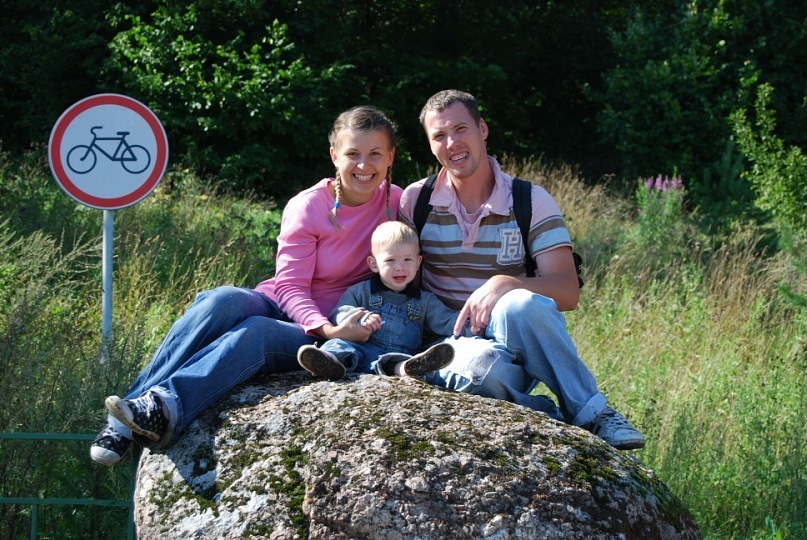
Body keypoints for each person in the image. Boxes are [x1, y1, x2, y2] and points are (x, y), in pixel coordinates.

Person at [90, 105, 404, 465]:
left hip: (330, 327)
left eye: (375, 154)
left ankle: (166, 407)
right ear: (335, 156)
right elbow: (290, 286)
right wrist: (327, 327)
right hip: (293, 307)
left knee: (257, 332)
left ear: (390, 156)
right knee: (220, 300)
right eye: (353, 154)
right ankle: (125, 417)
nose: (364, 165)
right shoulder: (309, 207)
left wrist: (335, 333)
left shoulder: (398, 203)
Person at [399, 89, 645, 450]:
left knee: (522, 303)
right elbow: (403, 282)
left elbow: (568, 291)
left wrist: (507, 282)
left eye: (461, 129)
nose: (452, 143)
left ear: (482, 129)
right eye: (439, 135)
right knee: (481, 371)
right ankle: (553, 420)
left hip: (511, 340)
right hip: (447, 344)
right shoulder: (416, 201)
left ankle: (593, 412)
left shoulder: (530, 200)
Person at [296, 221, 466, 380]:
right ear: (373, 264)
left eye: (407, 259)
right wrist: (360, 317)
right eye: (390, 260)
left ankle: (411, 369)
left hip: (395, 357)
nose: (400, 267)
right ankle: (328, 363)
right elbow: (339, 312)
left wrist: (472, 326)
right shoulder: (361, 291)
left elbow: (447, 321)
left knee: (401, 361)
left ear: (418, 262)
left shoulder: (425, 300)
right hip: (360, 348)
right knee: (338, 345)